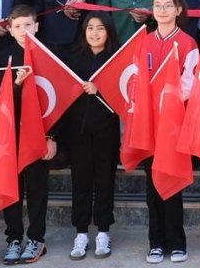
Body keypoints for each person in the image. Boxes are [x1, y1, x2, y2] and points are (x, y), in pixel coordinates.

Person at [140, 0, 199, 264]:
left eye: (168, 5)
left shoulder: (188, 44)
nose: (162, 10)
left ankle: (177, 242)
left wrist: (164, 99)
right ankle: (155, 242)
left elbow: (189, 84)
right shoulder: (143, 41)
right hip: (148, 125)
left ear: (178, 10)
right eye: (157, 5)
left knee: (172, 183)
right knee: (152, 186)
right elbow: (134, 79)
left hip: (173, 124)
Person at [0, 6, 56, 266]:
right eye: (18, 26)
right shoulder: (2, 57)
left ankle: (36, 238)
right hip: (9, 137)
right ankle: (14, 238)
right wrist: (17, 86)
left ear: (37, 27)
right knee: (12, 190)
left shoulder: (49, 56)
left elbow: (59, 101)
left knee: (36, 190)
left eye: (28, 25)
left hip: (39, 137)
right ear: (10, 29)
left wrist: (52, 137)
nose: (24, 31)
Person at [63, 13, 120, 261]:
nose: (94, 33)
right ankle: (81, 233)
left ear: (108, 32)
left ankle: (104, 231)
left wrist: (101, 90)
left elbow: (124, 95)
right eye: (90, 28)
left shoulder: (116, 59)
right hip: (79, 132)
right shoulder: (73, 58)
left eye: (100, 28)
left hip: (106, 130)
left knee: (105, 180)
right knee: (81, 181)